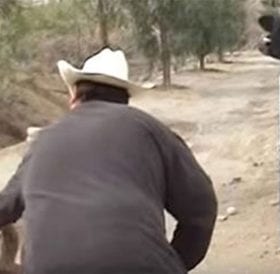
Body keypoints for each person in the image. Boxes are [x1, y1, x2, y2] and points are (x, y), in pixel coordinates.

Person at [0, 47, 217, 274]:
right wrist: (176, 263)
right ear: (126, 99)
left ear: (74, 95)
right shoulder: (150, 129)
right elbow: (201, 208)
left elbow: (5, 206)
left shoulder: (43, 140)